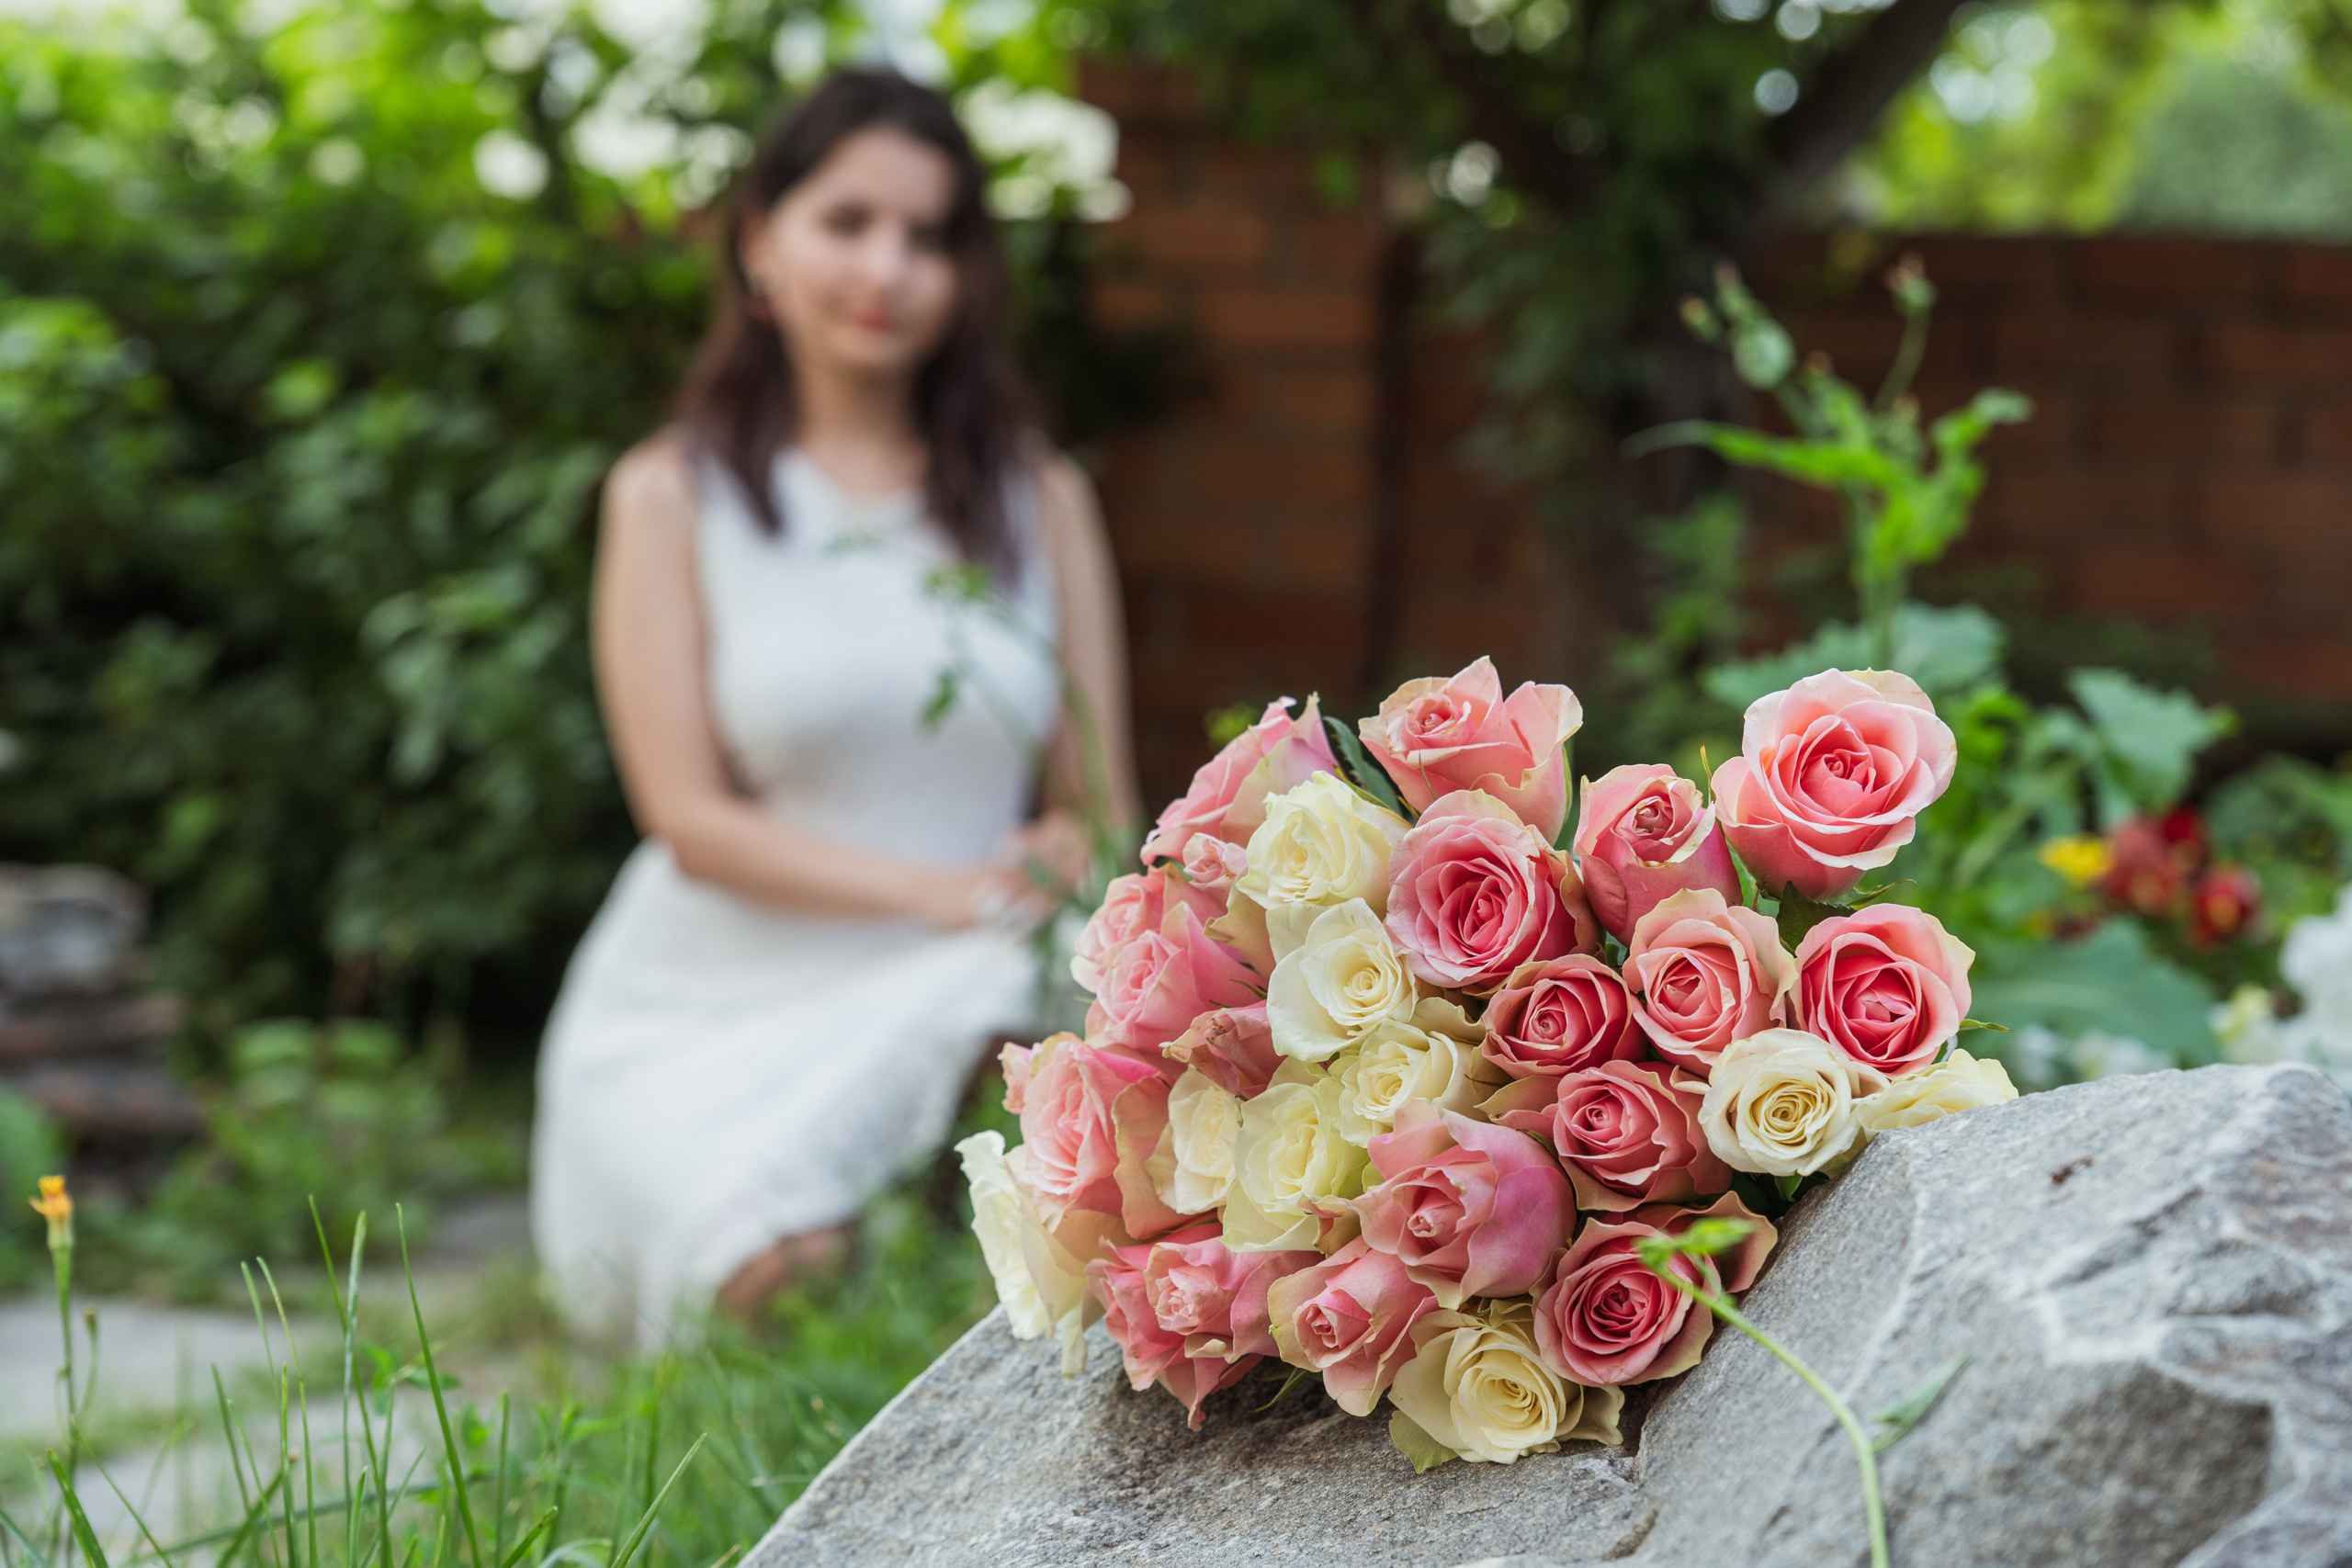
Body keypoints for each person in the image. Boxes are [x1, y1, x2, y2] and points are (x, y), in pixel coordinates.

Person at [529, 69, 1137, 1348]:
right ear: (760, 242)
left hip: (979, 972)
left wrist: (1050, 857)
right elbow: (686, 818)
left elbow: (1101, 805)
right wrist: (944, 895)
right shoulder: (671, 495)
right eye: (848, 222)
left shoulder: (1039, 497)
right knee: (768, 1269)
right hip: (721, 988)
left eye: (930, 237)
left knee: (1052, 1111)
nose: (891, 267)